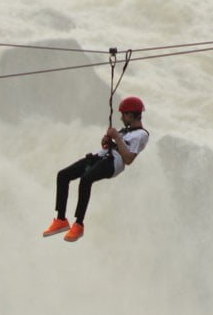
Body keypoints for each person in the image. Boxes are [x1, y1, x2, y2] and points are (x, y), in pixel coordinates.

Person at [43, 96, 149, 242]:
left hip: (113, 163)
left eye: (124, 114)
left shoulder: (141, 135)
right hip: (101, 157)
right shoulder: (125, 131)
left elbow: (129, 159)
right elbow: (113, 145)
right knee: (63, 175)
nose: (122, 117)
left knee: (86, 179)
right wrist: (107, 142)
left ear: (132, 114)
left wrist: (116, 138)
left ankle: (78, 224)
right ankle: (61, 220)